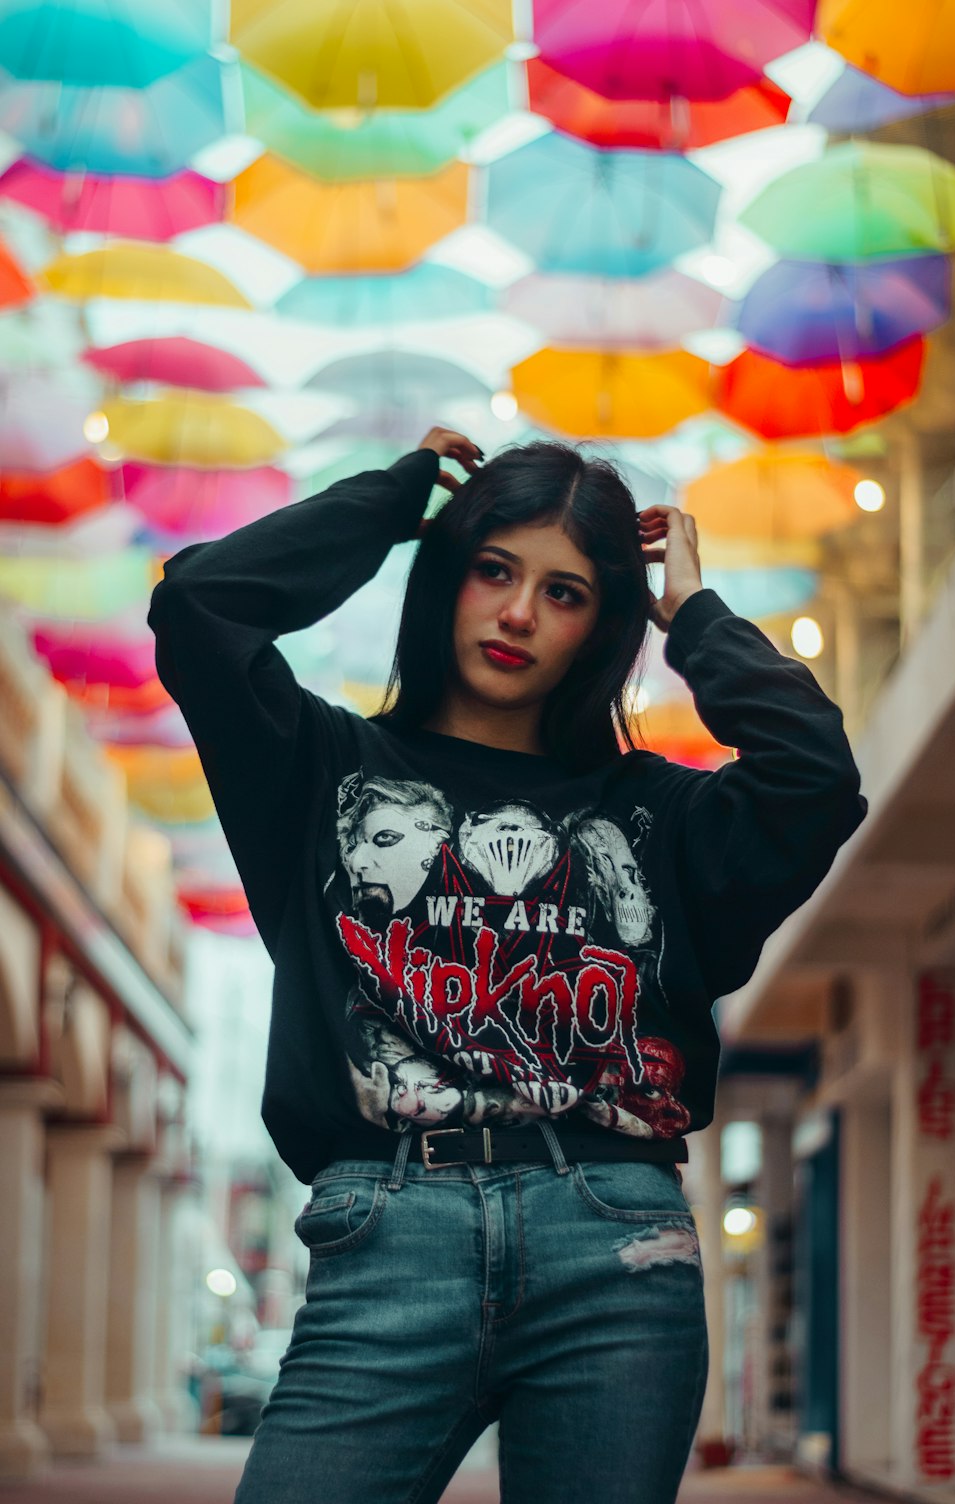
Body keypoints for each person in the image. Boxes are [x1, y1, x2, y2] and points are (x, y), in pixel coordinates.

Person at [148, 425, 867, 1503]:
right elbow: (200, 608)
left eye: (567, 592)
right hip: (388, 1232)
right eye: (493, 569)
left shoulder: (657, 816)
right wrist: (393, 503)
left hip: (616, 1249)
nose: (520, 612)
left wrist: (697, 617)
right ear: (448, 575)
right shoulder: (320, 768)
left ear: (604, 623)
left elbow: (814, 775)